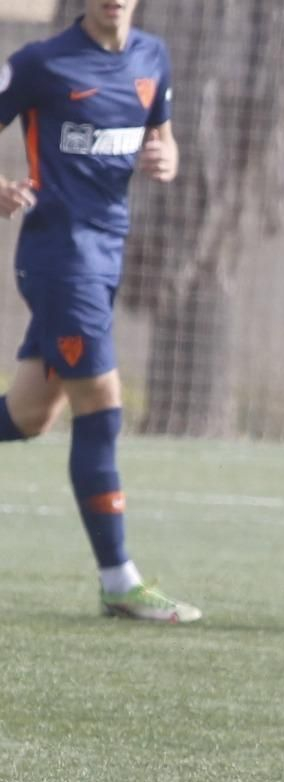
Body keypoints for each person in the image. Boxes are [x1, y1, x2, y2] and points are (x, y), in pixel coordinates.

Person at [0, 1, 196, 623]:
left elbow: (163, 138)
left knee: (30, 415)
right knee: (101, 406)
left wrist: (167, 157)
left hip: (107, 256)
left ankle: (117, 581)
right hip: (61, 258)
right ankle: (119, 580)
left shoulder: (152, 57)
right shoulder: (40, 63)